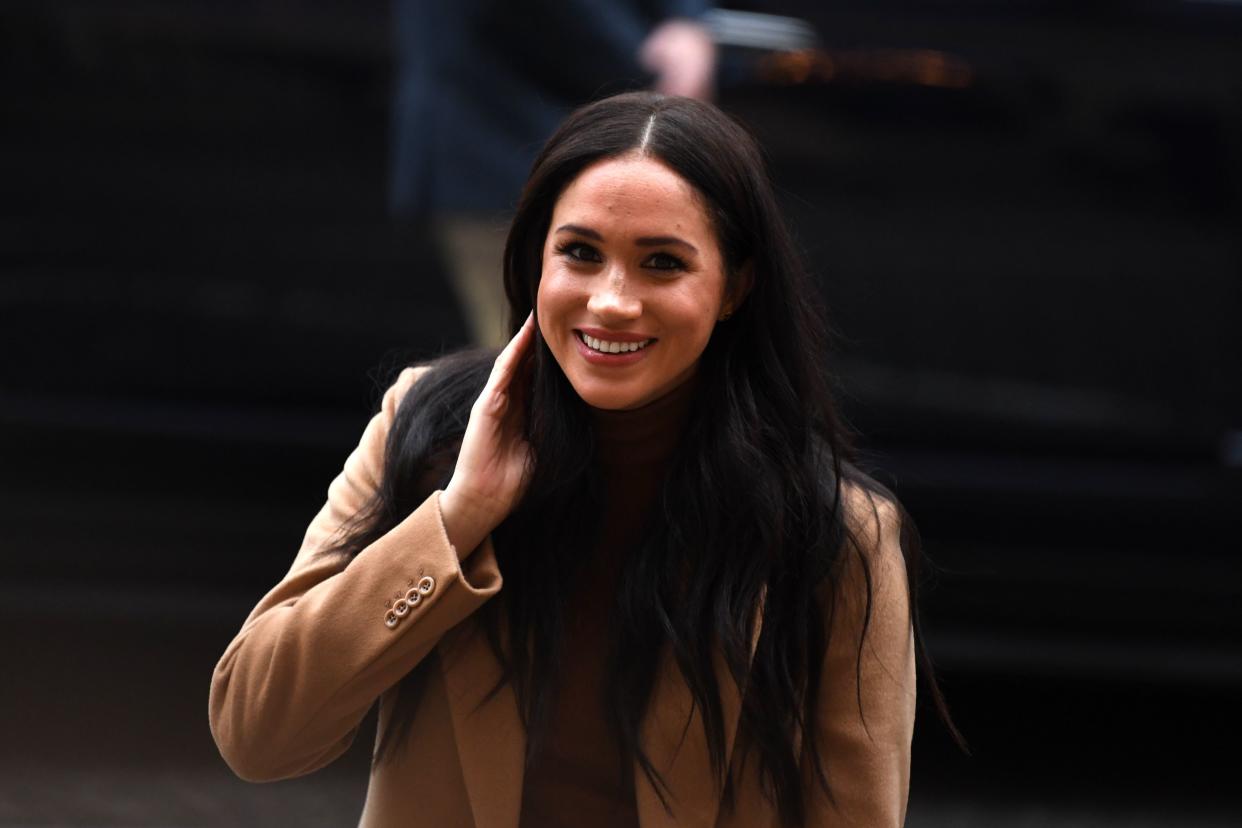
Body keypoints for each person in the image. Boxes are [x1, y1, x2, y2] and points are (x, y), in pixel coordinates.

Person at [211, 92, 956, 827]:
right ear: (537, 257)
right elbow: (258, 734)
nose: (610, 301)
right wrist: (456, 520)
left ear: (734, 287)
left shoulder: (836, 534)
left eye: (662, 263)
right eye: (580, 252)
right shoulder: (430, 428)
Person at [389, 0, 717, 347]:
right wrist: (657, 62)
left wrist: (684, 24)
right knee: (532, 362)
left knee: (534, 354)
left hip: (499, 148)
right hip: (506, 149)